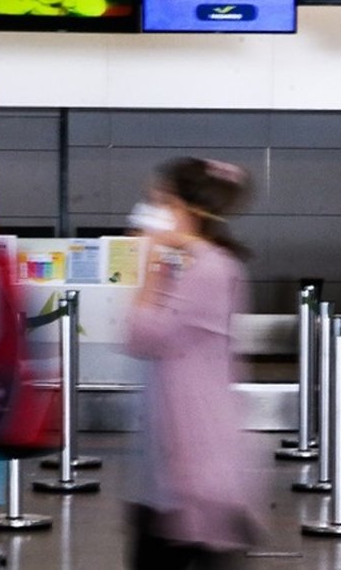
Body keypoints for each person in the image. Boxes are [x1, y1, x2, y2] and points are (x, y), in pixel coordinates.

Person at [125, 157, 262, 570]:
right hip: (180, 461)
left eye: (159, 202)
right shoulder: (205, 266)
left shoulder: (210, 270)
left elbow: (142, 334)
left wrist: (150, 263)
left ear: (182, 207)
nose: (149, 214)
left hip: (194, 464)